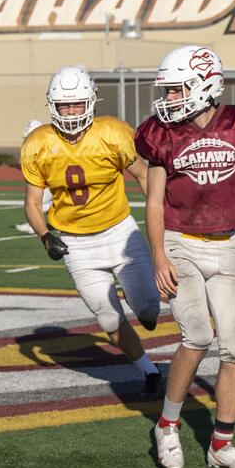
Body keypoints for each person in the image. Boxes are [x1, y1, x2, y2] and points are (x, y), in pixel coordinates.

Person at [136, 44, 235, 468]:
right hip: (181, 241)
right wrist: (159, 255)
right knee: (196, 336)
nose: (169, 99)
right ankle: (168, 425)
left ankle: (221, 444)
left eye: (177, 90)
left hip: (228, 245)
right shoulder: (162, 133)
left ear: (205, 86)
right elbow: (154, 203)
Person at [22, 66, 162, 396]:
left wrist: (160, 218)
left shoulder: (113, 132)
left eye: (77, 104)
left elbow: (143, 176)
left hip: (119, 232)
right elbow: (31, 203)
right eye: (64, 106)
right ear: (52, 106)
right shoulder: (38, 142)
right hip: (75, 243)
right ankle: (149, 371)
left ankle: (142, 306)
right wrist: (45, 236)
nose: (70, 112)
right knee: (108, 317)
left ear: (92, 103)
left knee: (148, 311)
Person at [15, 119, 52, 235]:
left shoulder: (42, 146)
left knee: (36, 203)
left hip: (46, 180)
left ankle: (34, 226)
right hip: (44, 179)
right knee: (37, 203)